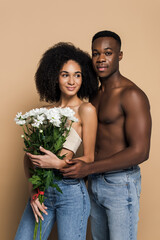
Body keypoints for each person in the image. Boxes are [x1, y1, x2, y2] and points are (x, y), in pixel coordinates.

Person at [61, 31, 152, 240]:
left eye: (108, 53)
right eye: (96, 53)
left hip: (120, 183)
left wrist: (89, 168)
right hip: (94, 182)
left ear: (119, 55)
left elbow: (141, 151)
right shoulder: (94, 96)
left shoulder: (132, 95)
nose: (101, 59)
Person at [15, 42, 98, 240]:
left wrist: (58, 163)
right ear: (55, 77)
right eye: (65, 74)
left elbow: (89, 158)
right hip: (42, 190)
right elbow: (29, 159)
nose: (72, 81)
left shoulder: (86, 110)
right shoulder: (45, 113)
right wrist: (33, 191)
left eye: (77, 75)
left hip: (71, 192)